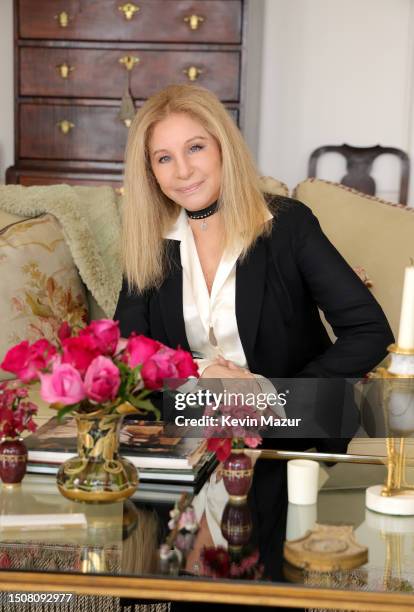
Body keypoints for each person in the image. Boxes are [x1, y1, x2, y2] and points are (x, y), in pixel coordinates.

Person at [114, 83, 393, 388]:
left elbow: (369, 331)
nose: (183, 171)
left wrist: (284, 397)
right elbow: (127, 350)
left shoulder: (289, 224)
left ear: (223, 148)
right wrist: (201, 370)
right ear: (150, 171)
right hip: (185, 421)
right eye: (164, 158)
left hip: (288, 426)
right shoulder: (149, 239)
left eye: (195, 147)